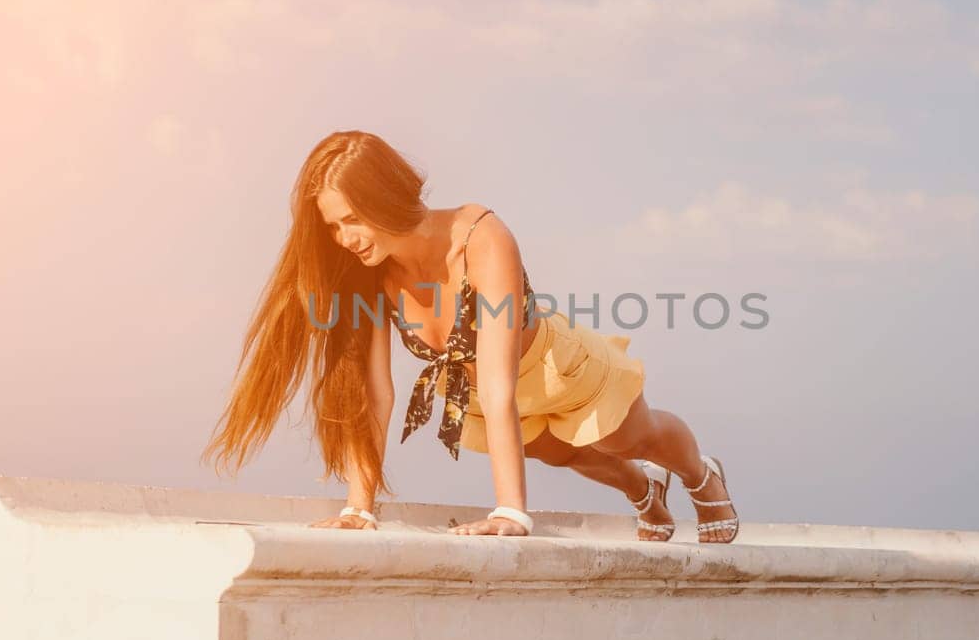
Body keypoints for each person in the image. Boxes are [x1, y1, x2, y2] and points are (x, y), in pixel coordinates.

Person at [200, 130, 739, 543]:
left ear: (383, 195)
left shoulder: (480, 236)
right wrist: (358, 509)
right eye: (333, 228)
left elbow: (503, 384)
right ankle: (643, 488)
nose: (345, 240)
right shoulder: (371, 274)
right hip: (483, 393)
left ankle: (699, 474)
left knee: (625, 437)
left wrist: (510, 511)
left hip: (553, 365)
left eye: (351, 220)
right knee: (564, 455)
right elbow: (376, 394)